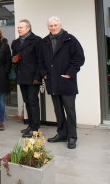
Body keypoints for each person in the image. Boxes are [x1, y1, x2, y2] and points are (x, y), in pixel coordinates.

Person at [39, 16, 85, 149]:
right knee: (58, 110)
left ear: (60, 25)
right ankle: (62, 134)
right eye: (51, 26)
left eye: (55, 25)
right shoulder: (44, 41)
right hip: (52, 82)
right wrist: (45, 75)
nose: (53, 28)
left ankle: (72, 137)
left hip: (67, 82)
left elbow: (79, 58)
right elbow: (40, 61)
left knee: (70, 111)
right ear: (48, 27)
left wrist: (70, 73)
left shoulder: (70, 39)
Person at [11, 19, 42, 137]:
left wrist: (38, 77)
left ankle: (35, 128)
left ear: (28, 28)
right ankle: (30, 124)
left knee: (33, 102)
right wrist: (13, 59)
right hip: (22, 76)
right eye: (18, 27)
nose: (19, 29)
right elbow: (14, 57)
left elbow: (40, 60)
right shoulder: (16, 42)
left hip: (33, 77)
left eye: (21, 27)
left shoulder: (37, 41)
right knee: (27, 102)